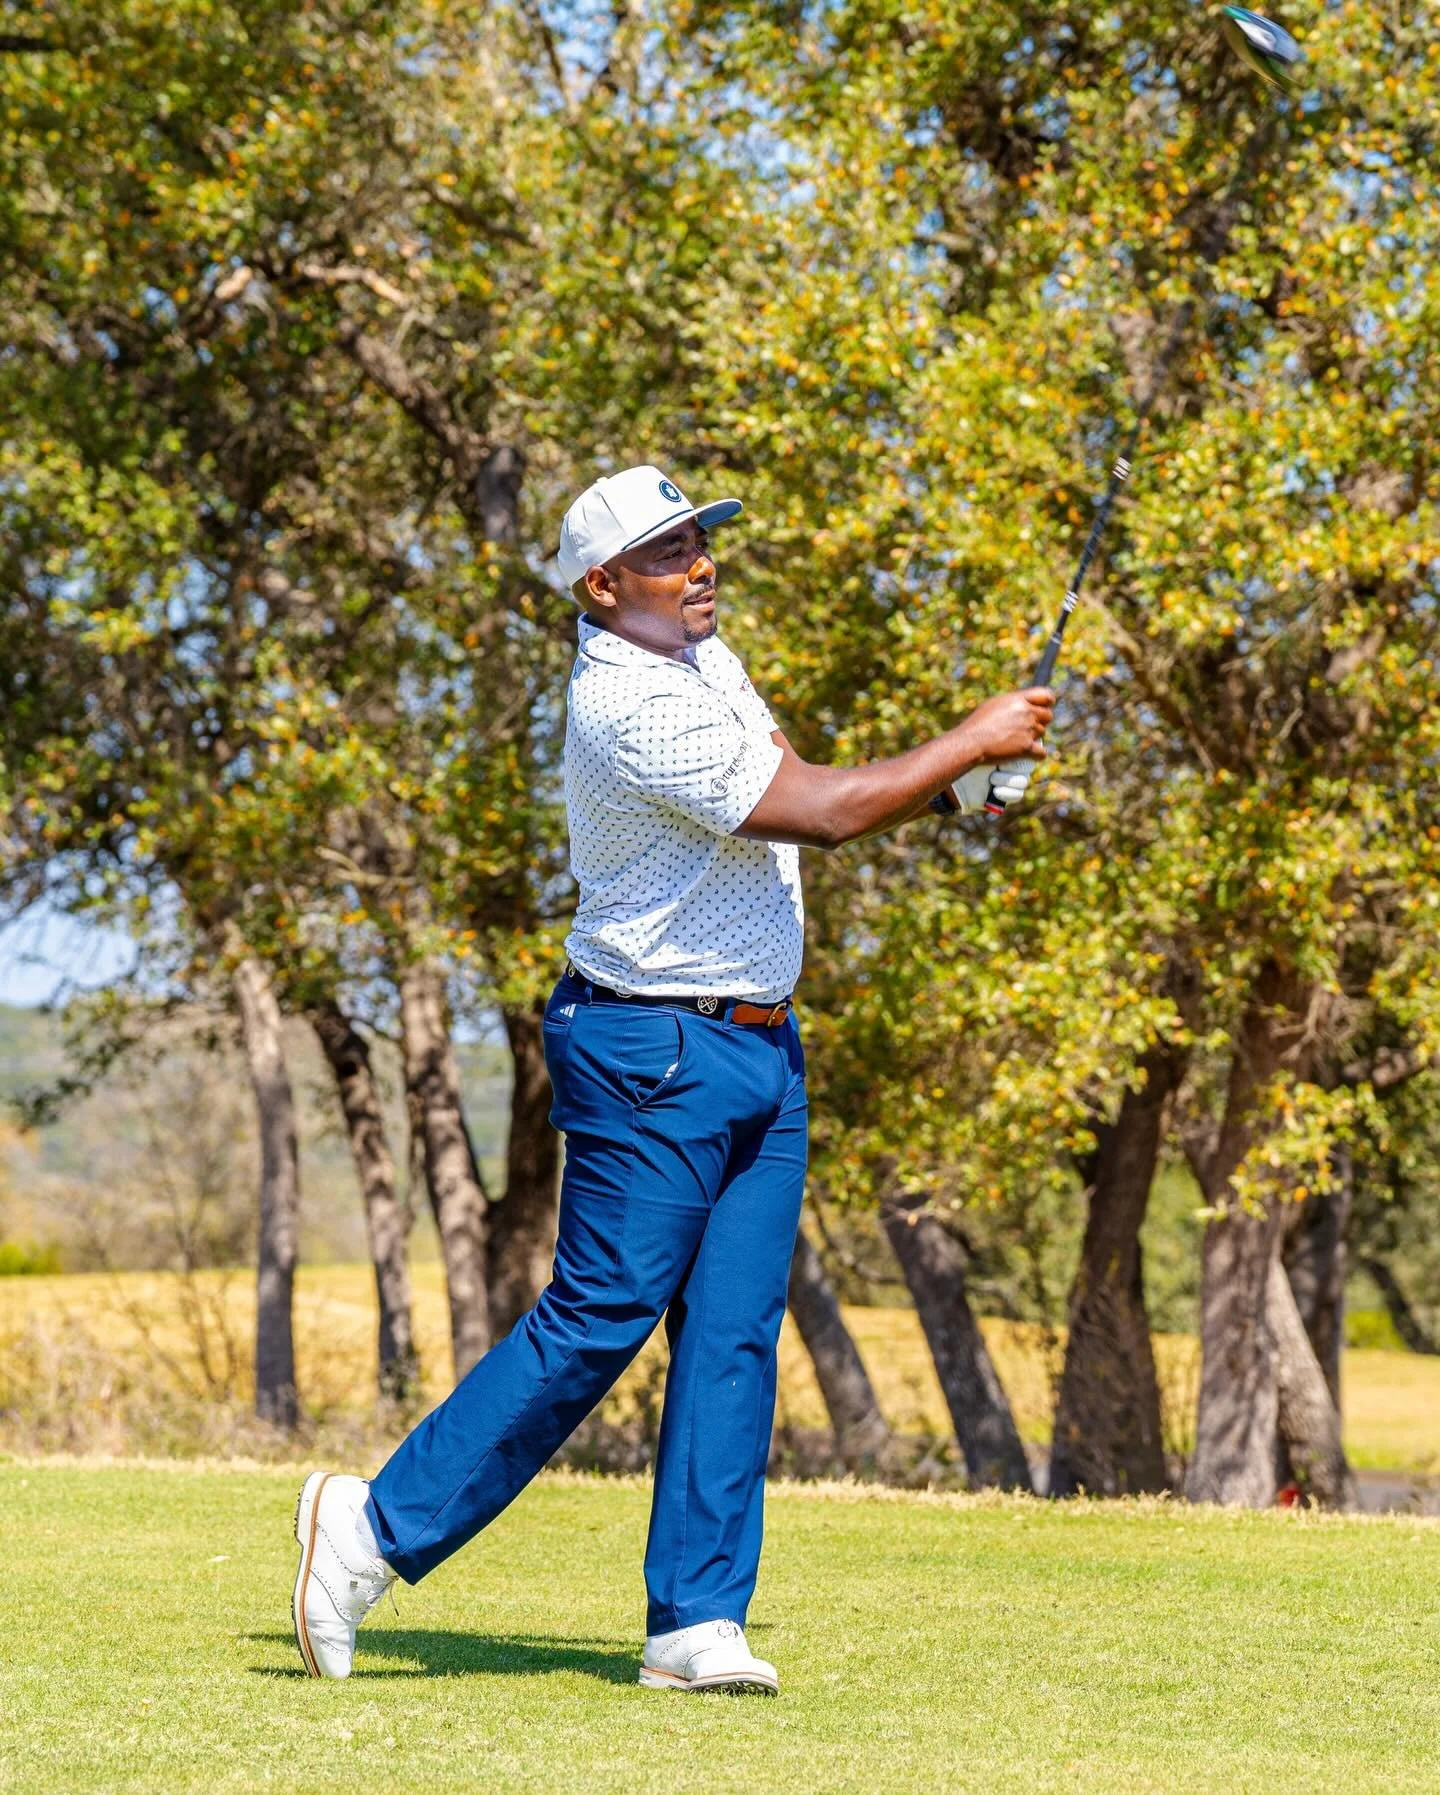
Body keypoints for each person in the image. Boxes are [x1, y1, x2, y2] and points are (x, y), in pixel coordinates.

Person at [290, 464, 1053, 1695]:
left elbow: (808, 785)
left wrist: (958, 782)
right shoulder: (628, 701)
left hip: (756, 1044)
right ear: (601, 587)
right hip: (653, 1045)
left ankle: (696, 1618)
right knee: (601, 1314)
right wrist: (969, 736)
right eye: (665, 552)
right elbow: (816, 811)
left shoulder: (704, 659)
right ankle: (369, 1532)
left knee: (735, 1333)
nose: (698, 565)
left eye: (700, 541)